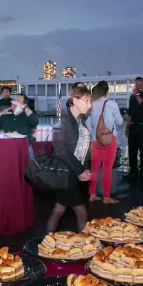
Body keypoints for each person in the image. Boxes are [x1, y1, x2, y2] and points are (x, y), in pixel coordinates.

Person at [47, 85, 93, 232]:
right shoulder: (65, 121)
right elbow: (61, 151)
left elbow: (82, 148)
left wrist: (84, 168)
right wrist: (80, 170)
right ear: (75, 100)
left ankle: (47, 241)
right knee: (80, 211)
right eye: (87, 101)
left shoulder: (79, 120)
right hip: (66, 173)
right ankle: (85, 245)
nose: (90, 105)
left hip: (72, 172)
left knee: (59, 209)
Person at [85, 81, 123, 204]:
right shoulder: (111, 104)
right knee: (107, 169)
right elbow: (119, 122)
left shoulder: (91, 105)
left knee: (94, 168)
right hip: (109, 140)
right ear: (107, 91)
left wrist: (93, 135)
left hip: (95, 141)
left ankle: (92, 194)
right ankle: (106, 197)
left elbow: (88, 124)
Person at [0, 93, 39, 159]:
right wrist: (0, 113)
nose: (15, 102)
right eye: (14, 100)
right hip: (7, 147)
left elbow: (35, 122)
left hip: (24, 148)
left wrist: (24, 108)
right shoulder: (6, 113)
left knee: (27, 168)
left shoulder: (28, 114)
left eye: (18, 102)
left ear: (24, 105)